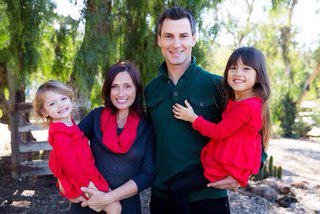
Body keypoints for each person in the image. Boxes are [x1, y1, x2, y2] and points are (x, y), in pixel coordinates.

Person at [145, 6, 267, 214]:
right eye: (168, 36)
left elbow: (257, 135)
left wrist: (244, 175)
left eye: (183, 35)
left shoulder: (220, 85)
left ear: (193, 38)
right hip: (163, 197)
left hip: (209, 199)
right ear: (159, 40)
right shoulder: (151, 90)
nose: (176, 44)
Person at [170, 47, 271, 213]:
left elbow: (219, 132)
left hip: (226, 165)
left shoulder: (247, 106)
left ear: (259, 74)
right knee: (179, 184)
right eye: (233, 68)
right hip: (225, 161)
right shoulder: (246, 100)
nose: (238, 73)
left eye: (246, 68)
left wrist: (193, 118)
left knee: (176, 188)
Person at [72, 61, 155, 214]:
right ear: (108, 89)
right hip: (89, 201)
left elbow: (147, 175)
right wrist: (64, 183)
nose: (121, 93)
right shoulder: (95, 117)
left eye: (127, 86)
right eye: (115, 86)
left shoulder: (147, 124)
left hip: (125, 206)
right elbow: (66, 146)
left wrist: (108, 199)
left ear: (137, 88)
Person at [33, 80, 121, 213]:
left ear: (70, 98)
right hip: (84, 180)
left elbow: (56, 156)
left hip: (90, 173)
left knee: (110, 204)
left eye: (63, 98)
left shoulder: (68, 123)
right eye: (52, 103)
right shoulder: (59, 134)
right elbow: (69, 165)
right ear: (44, 112)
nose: (60, 105)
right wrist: (86, 186)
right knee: (114, 207)